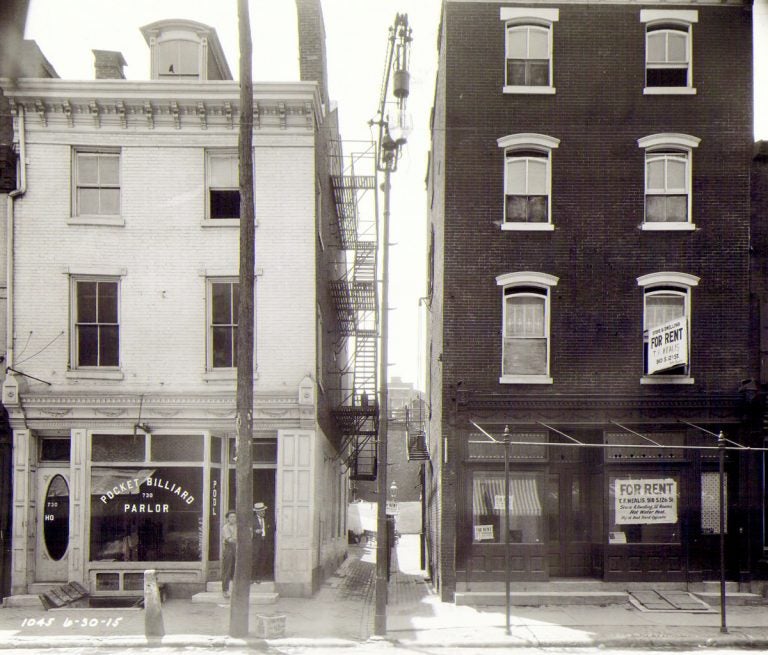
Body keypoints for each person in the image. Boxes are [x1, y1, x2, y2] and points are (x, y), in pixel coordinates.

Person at [252, 502, 270, 583]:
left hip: (264, 542)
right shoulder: (252, 520)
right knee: (255, 559)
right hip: (255, 543)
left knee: (263, 559)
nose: (264, 512)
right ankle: (252, 577)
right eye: (262, 511)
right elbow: (247, 530)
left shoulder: (267, 519)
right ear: (257, 512)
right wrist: (255, 531)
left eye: (264, 511)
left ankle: (259, 577)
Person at [221, 510, 237, 598]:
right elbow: (229, 539)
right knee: (227, 569)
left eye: (234, 517)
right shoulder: (225, 527)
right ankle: (225, 590)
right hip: (229, 548)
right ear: (227, 518)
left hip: (237, 548)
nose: (233, 519)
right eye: (231, 517)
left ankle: (237, 590)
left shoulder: (238, 527)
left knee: (237, 569)